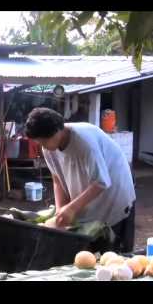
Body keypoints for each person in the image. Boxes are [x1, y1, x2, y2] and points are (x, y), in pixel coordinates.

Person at [24, 107, 136, 252]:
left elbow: (101, 182)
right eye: (39, 142)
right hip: (89, 197)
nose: (42, 146)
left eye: (44, 141)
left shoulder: (84, 142)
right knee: (89, 253)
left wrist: (71, 208)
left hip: (115, 195)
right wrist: (60, 211)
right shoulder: (48, 149)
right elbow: (57, 179)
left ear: (58, 130)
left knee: (114, 254)